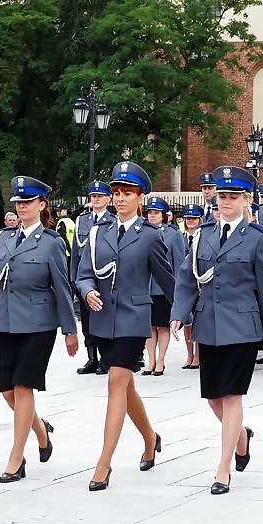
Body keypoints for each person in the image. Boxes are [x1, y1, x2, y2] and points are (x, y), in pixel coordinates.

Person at [171, 165, 263, 494]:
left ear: (246, 200)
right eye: (222, 196)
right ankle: (242, 436)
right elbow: (188, 276)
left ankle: (223, 469)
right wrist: (180, 312)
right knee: (212, 397)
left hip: (243, 327)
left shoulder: (257, 238)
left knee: (232, 396)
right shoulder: (202, 234)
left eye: (233, 197)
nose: (226, 202)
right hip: (208, 324)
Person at [75, 161, 175, 491]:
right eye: (116, 193)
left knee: (117, 380)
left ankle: (103, 463)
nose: (119, 199)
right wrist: (88, 290)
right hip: (103, 320)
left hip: (133, 318)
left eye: (127, 194)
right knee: (126, 387)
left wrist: (186, 312)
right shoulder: (97, 232)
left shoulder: (149, 236)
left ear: (140, 198)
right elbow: (83, 272)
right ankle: (150, 436)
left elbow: (167, 279)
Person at [0, 176, 78, 482]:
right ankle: (41, 431)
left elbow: (62, 288)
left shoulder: (51, 243)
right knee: (8, 392)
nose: (22, 207)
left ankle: (16, 458)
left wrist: (70, 330)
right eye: (19, 202)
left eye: (28, 202)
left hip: (39, 324)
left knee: (24, 387)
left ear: (41, 205)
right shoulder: (5, 239)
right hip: (8, 323)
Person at [70, 181, 114, 376]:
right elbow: (75, 252)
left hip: (104, 277)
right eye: (93, 196)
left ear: (107, 199)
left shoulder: (113, 220)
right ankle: (92, 357)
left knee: (103, 317)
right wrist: (74, 278)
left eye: (100, 196)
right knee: (86, 320)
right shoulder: (82, 220)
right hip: (84, 277)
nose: (96, 199)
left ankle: (105, 358)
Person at [142, 196, 184, 376]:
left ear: (165, 216)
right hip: (145, 286)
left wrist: (177, 287)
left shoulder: (173, 234)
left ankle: (161, 360)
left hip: (162, 287)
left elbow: (179, 262)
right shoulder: (141, 233)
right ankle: (150, 360)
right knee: (149, 326)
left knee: (162, 325)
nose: (152, 216)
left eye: (156, 213)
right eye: (150, 213)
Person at [180, 204, 204, 369]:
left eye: (194, 218)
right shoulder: (180, 237)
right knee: (187, 320)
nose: (190, 221)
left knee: (199, 320)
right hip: (186, 282)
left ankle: (198, 355)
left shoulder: (203, 237)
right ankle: (190, 353)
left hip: (200, 282)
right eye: (188, 218)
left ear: (200, 220)